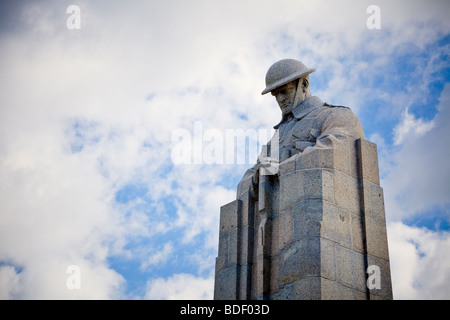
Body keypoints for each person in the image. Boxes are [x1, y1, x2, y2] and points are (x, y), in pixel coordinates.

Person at [240, 58, 365, 190]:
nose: (280, 99)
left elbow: (332, 155)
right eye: (275, 95)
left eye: (284, 91)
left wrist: (280, 168)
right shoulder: (277, 138)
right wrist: (258, 177)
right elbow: (248, 177)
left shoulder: (337, 116)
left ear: (304, 85)